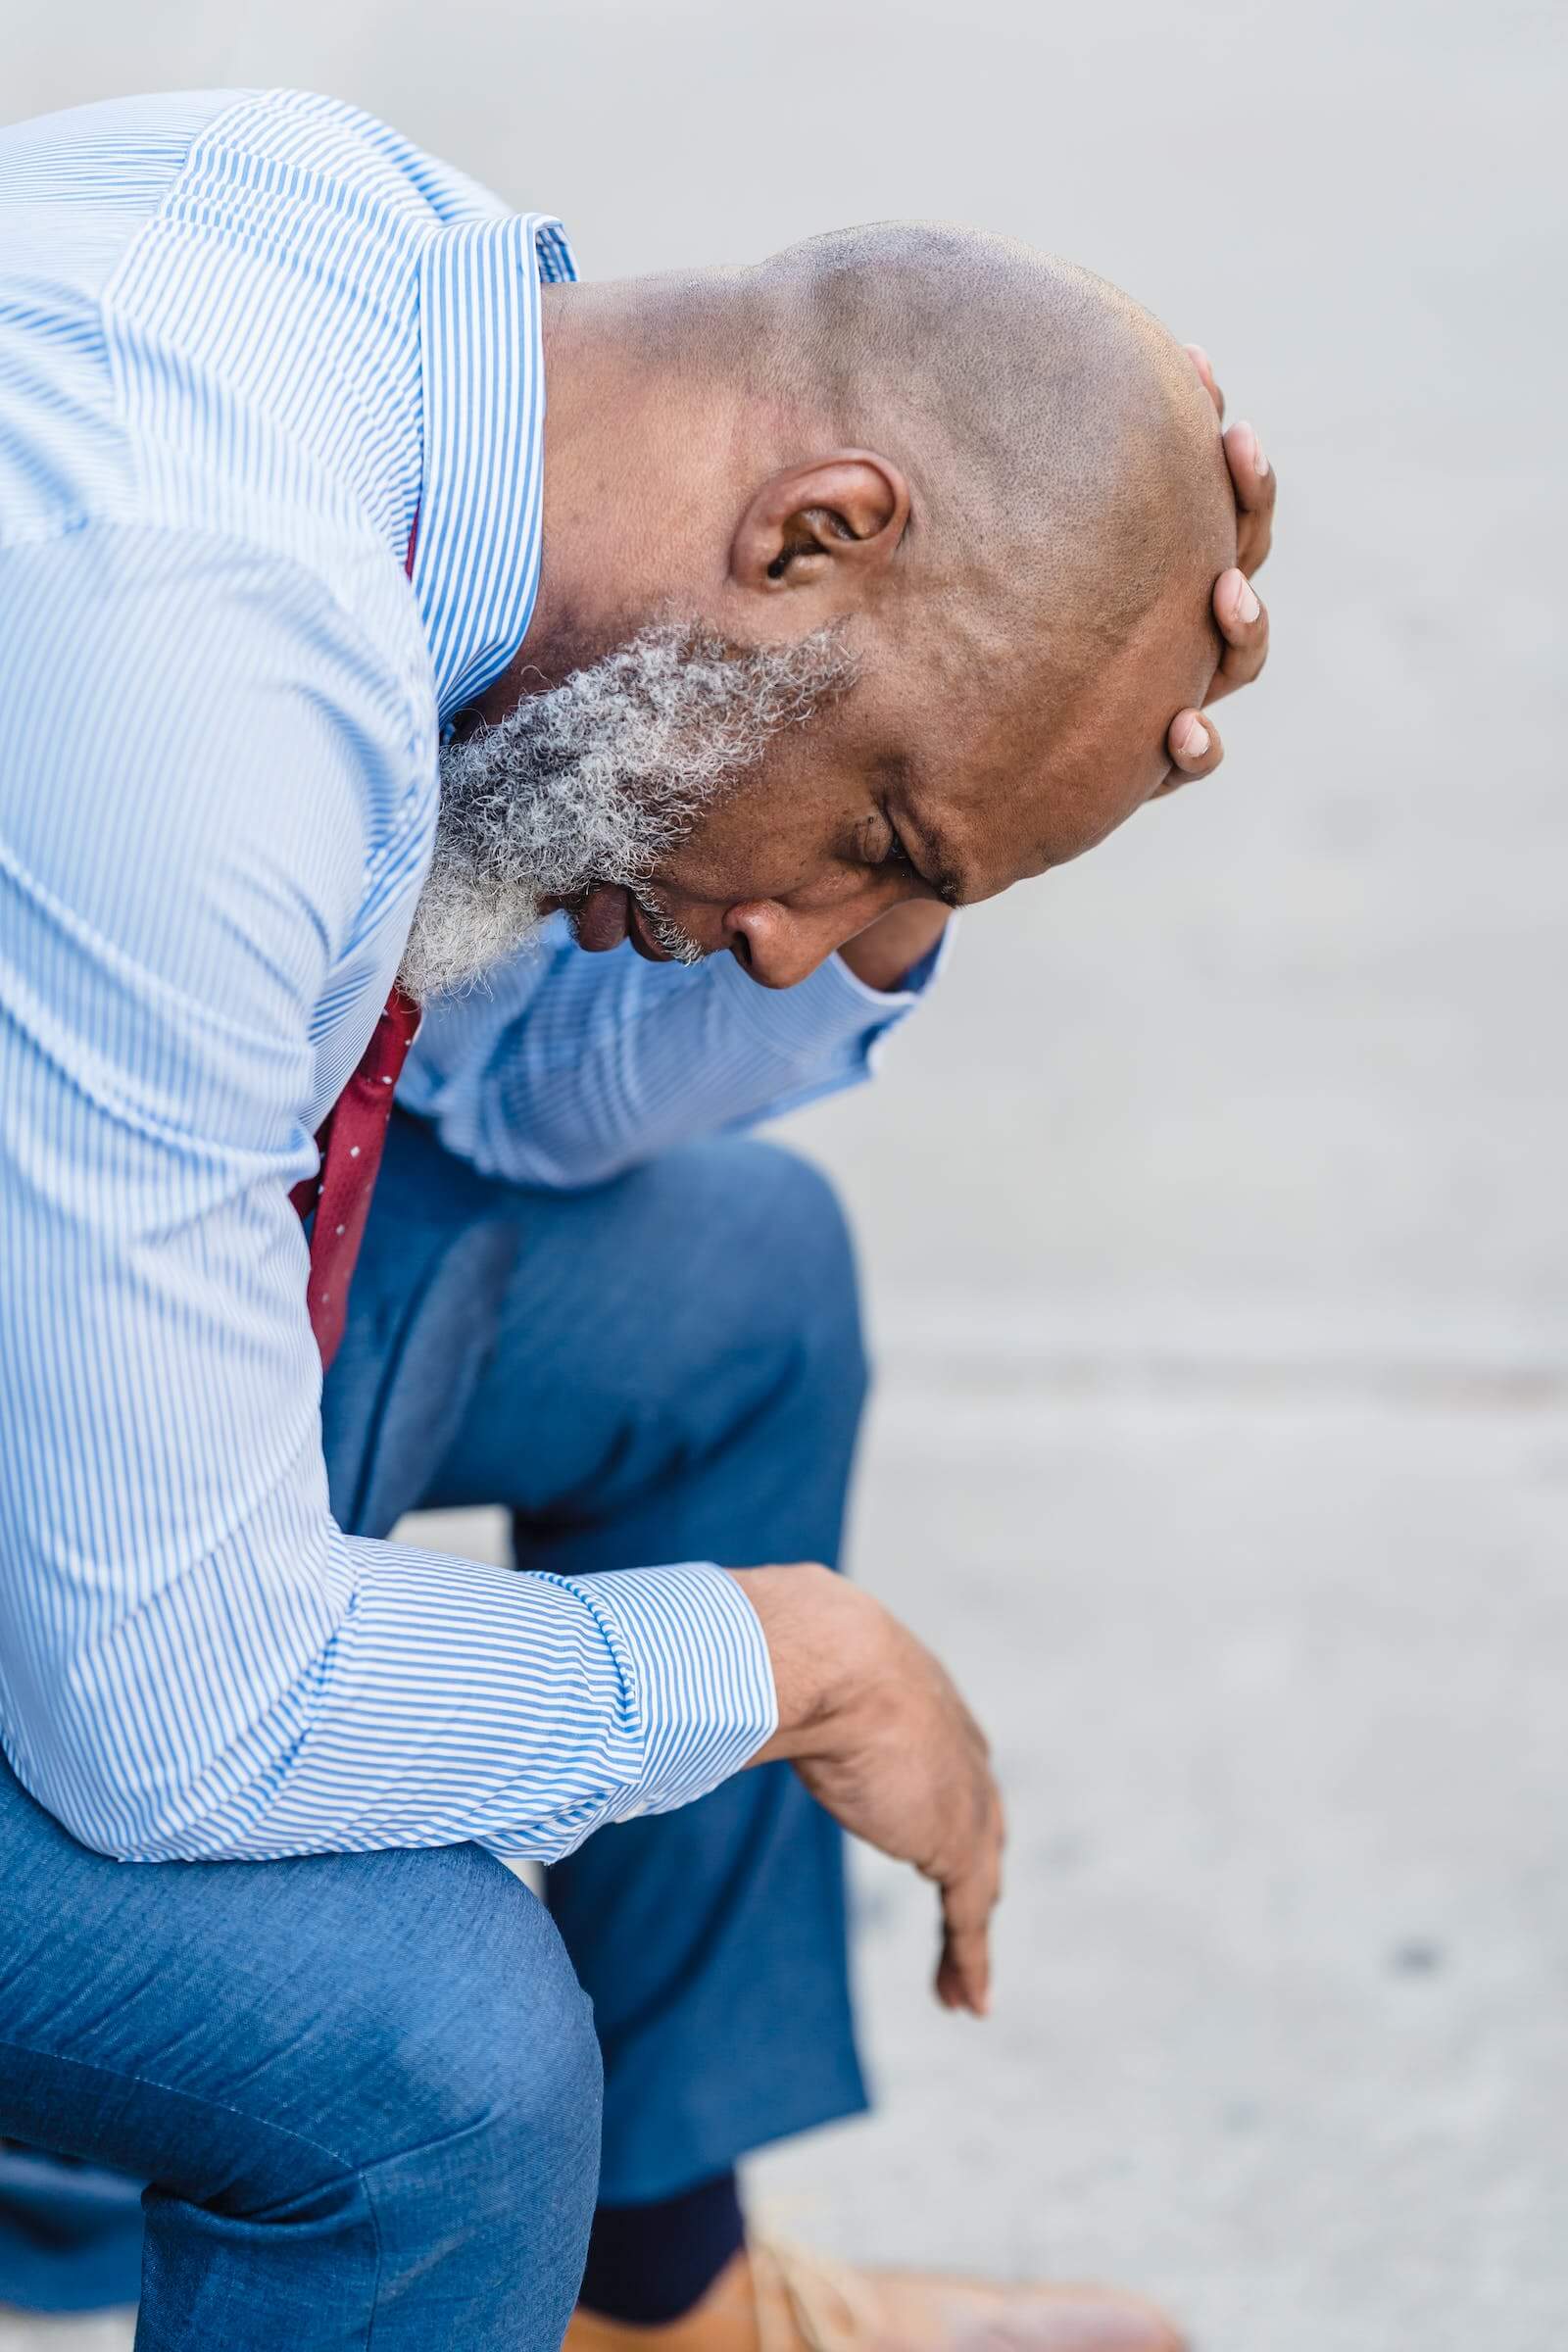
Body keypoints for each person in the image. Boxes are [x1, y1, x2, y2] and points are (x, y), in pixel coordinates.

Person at [0, 85, 1272, 2352]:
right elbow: (175, 1713)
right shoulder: (197, 655)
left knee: (734, 1287)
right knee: (419, 2052)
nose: (810, 942)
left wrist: (1013, 761)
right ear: (816, 532)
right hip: (102, 1605)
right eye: (877, 829)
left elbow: (523, 1099)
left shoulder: (410, 314)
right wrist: (784, 1663)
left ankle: (644, 2310)